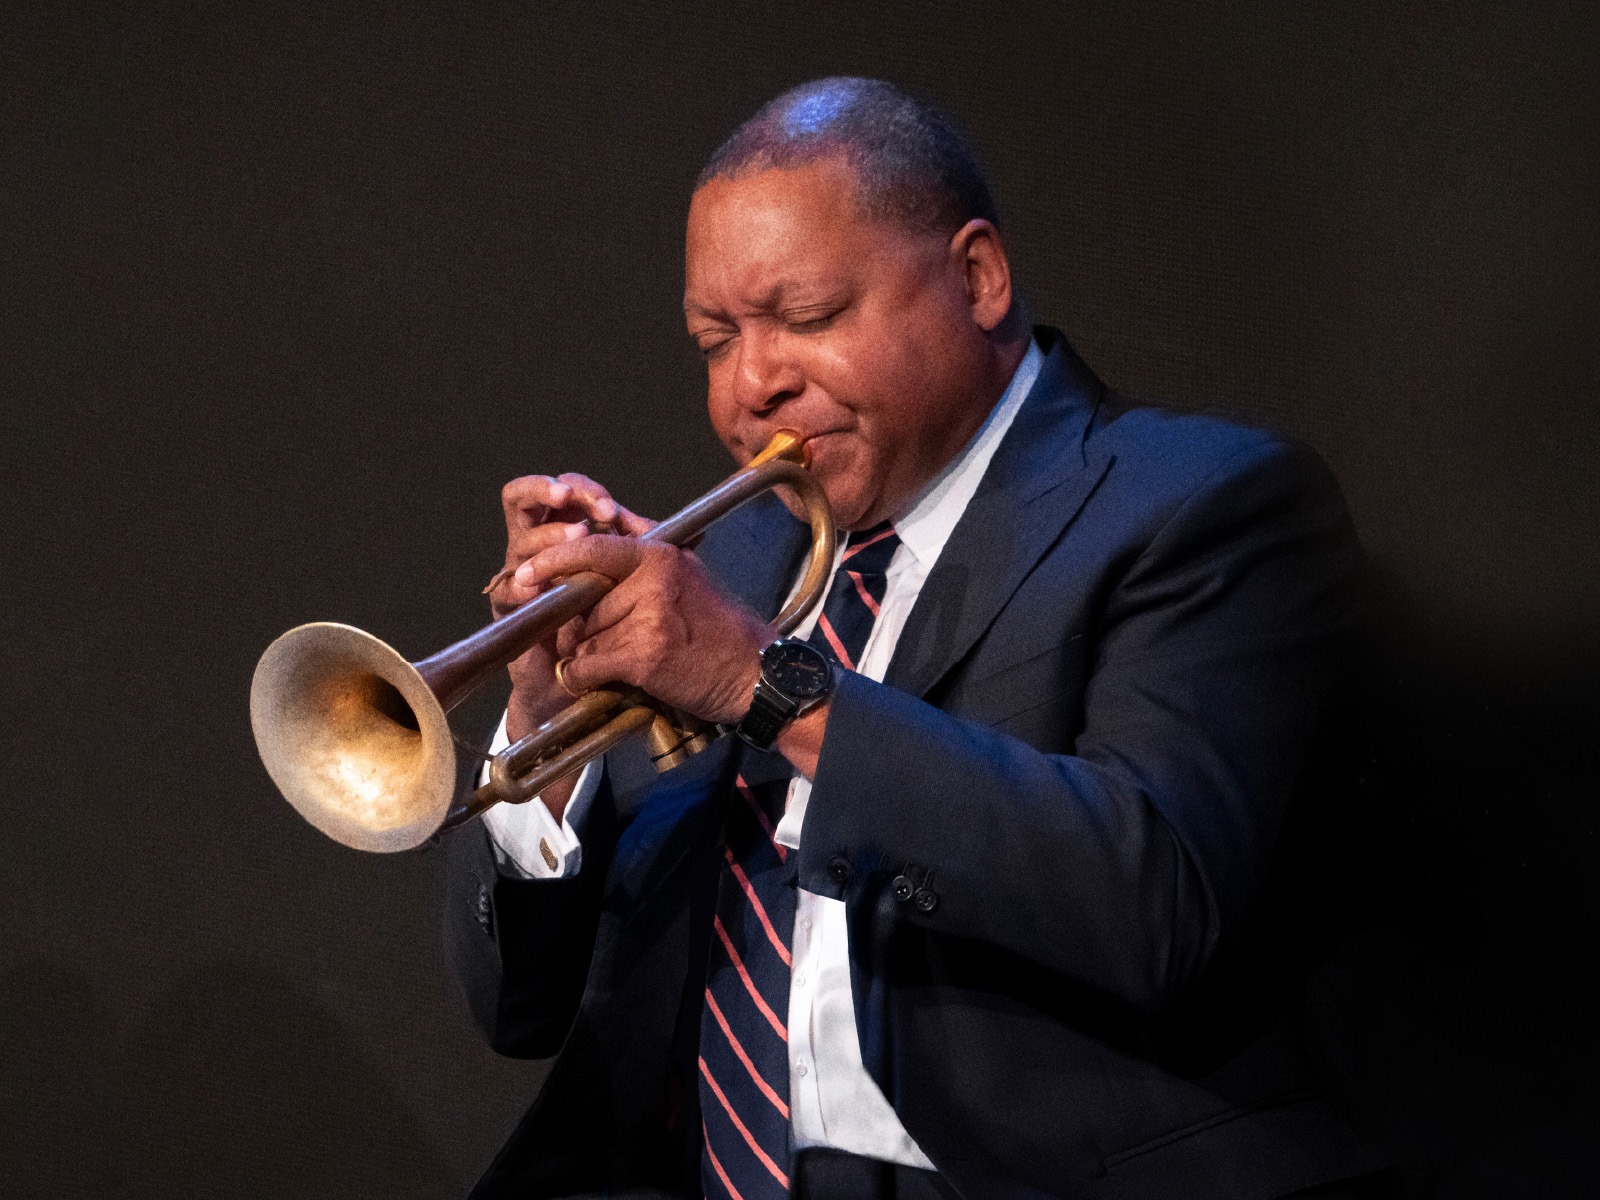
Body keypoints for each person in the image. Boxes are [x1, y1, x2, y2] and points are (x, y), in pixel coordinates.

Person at [447, 77, 1384, 1200]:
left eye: (807, 318)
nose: (753, 383)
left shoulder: (1204, 504)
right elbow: (519, 1009)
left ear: (977, 277)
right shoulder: (733, 566)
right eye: (714, 340)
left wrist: (760, 682)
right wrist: (543, 721)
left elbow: (1159, 906)